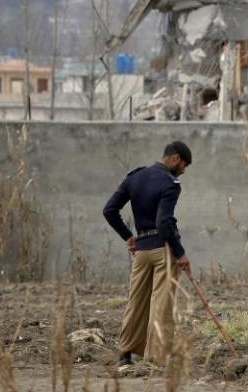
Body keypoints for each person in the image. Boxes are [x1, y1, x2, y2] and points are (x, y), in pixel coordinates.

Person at [103, 141, 193, 369]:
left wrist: (128, 237)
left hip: (141, 250)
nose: (184, 170)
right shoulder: (171, 183)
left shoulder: (134, 177)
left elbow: (109, 210)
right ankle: (156, 359)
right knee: (162, 304)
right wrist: (180, 253)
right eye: (184, 165)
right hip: (163, 249)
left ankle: (125, 353)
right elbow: (164, 222)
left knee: (136, 302)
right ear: (174, 158)